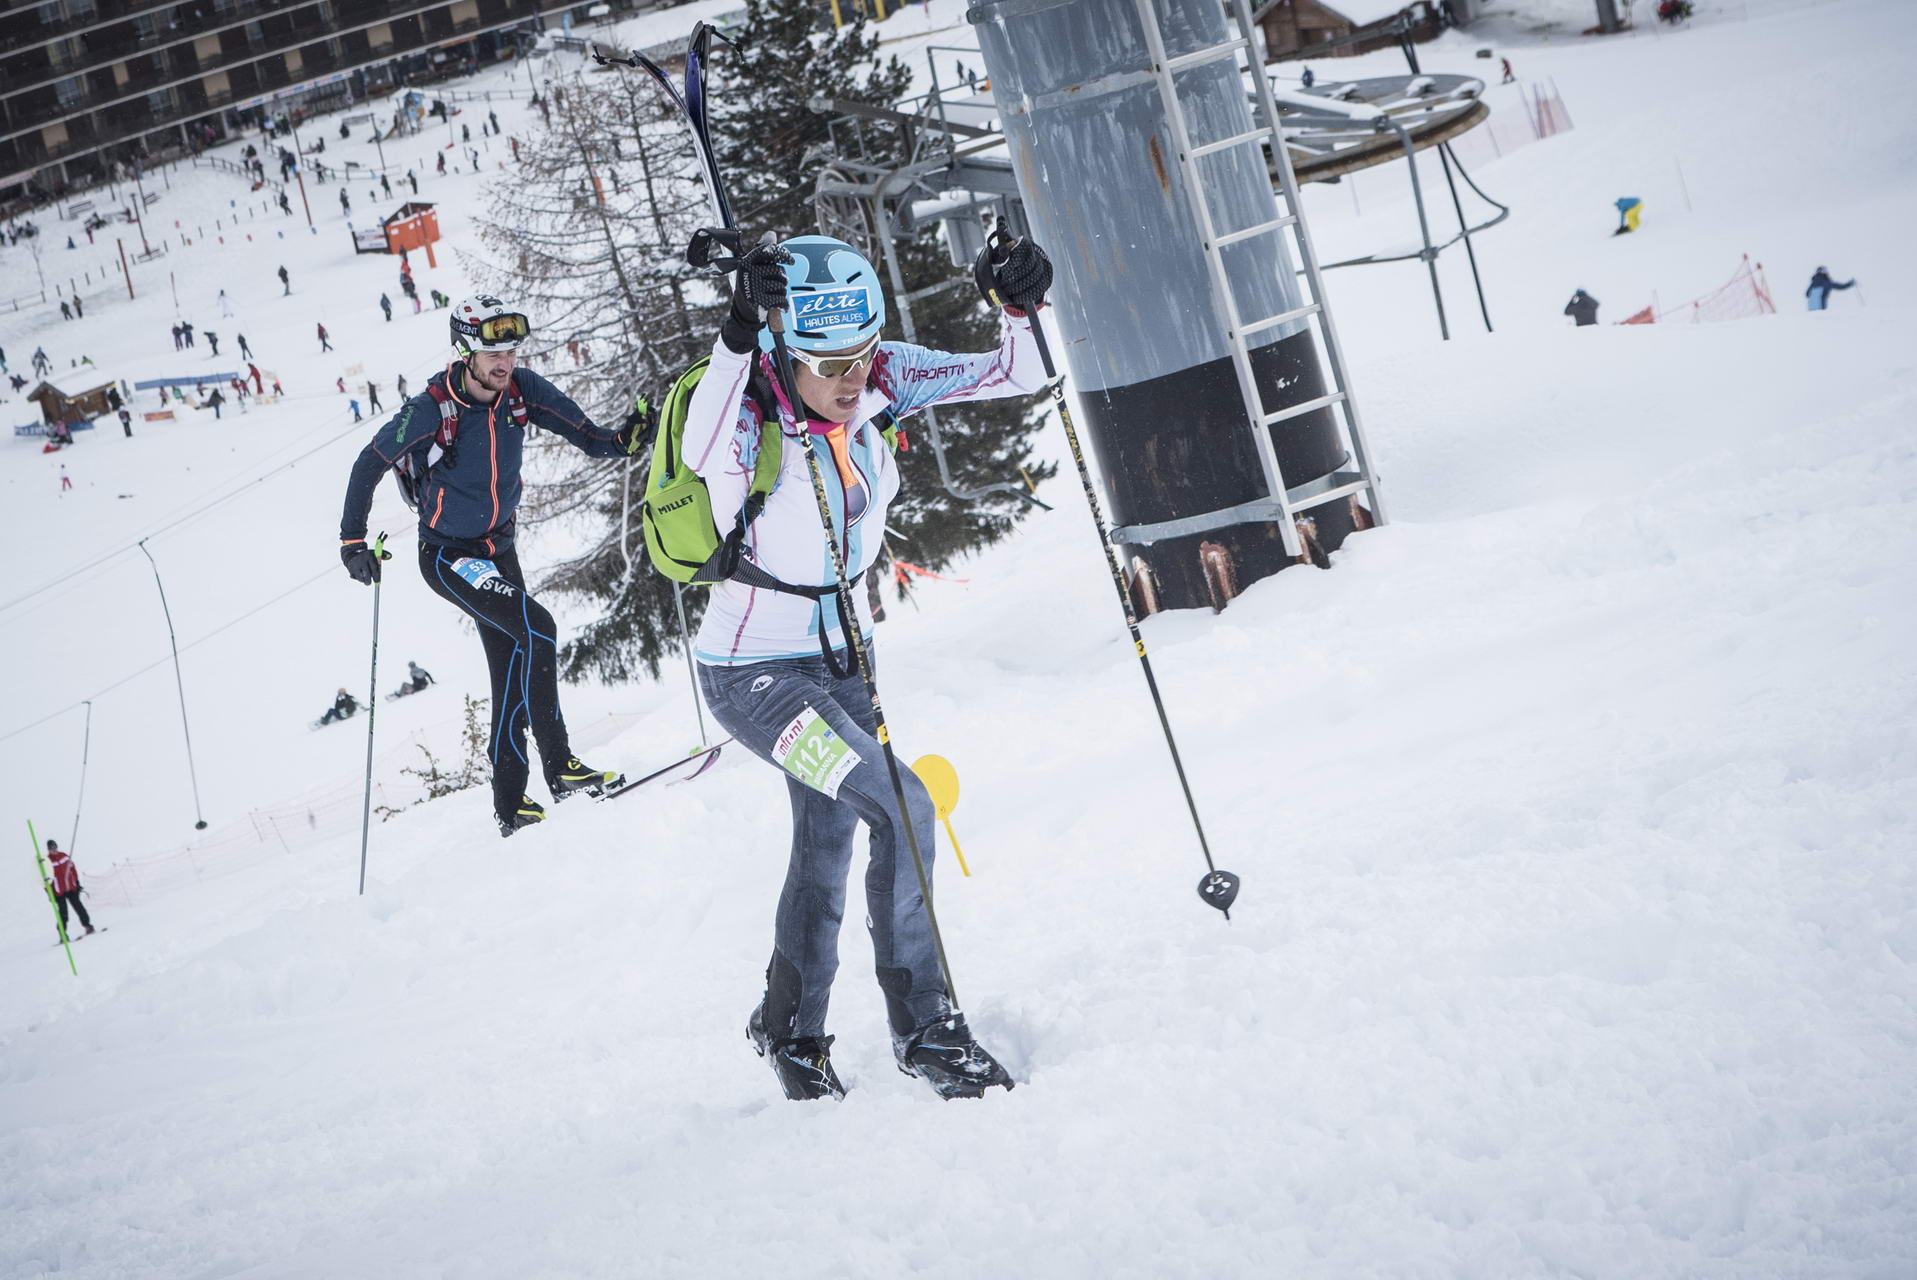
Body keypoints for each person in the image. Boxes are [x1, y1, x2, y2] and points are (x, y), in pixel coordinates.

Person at [682, 232, 1051, 1102]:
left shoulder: (880, 377)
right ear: (784, 351)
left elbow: (1018, 374)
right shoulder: (743, 419)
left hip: (843, 662)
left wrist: (1020, 306)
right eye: (828, 362)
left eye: (858, 354)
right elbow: (702, 433)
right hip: (757, 681)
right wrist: (738, 327)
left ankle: (788, 1027)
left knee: (827, 841)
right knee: (903, 807)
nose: (851, 379)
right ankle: (925, 1029)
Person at [336, 295, 632, 837]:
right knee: (537, 629)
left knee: (513, 661)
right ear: (466, 352)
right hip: (450, 557)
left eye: (512, 352)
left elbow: (589, 437)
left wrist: (624, 439)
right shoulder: (431, 409)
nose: (506, 363)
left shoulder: (522, 391)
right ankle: (561, 767)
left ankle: (511, 804)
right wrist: (351, 541)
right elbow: (368, 462)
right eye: (493, 354)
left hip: (500, 550)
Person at [44, 840, 95, 936]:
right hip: (58, 892)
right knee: (63, 913)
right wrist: (49, 893)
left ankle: (88, 926)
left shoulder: (64, 856)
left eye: (55, 847)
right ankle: (63, 934)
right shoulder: (47, 862)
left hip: (71, 888)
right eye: (51, 848)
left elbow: (73, 870)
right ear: (48, 849)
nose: (54, 850)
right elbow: (45, 881)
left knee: (79, 908)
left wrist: (77, 883)